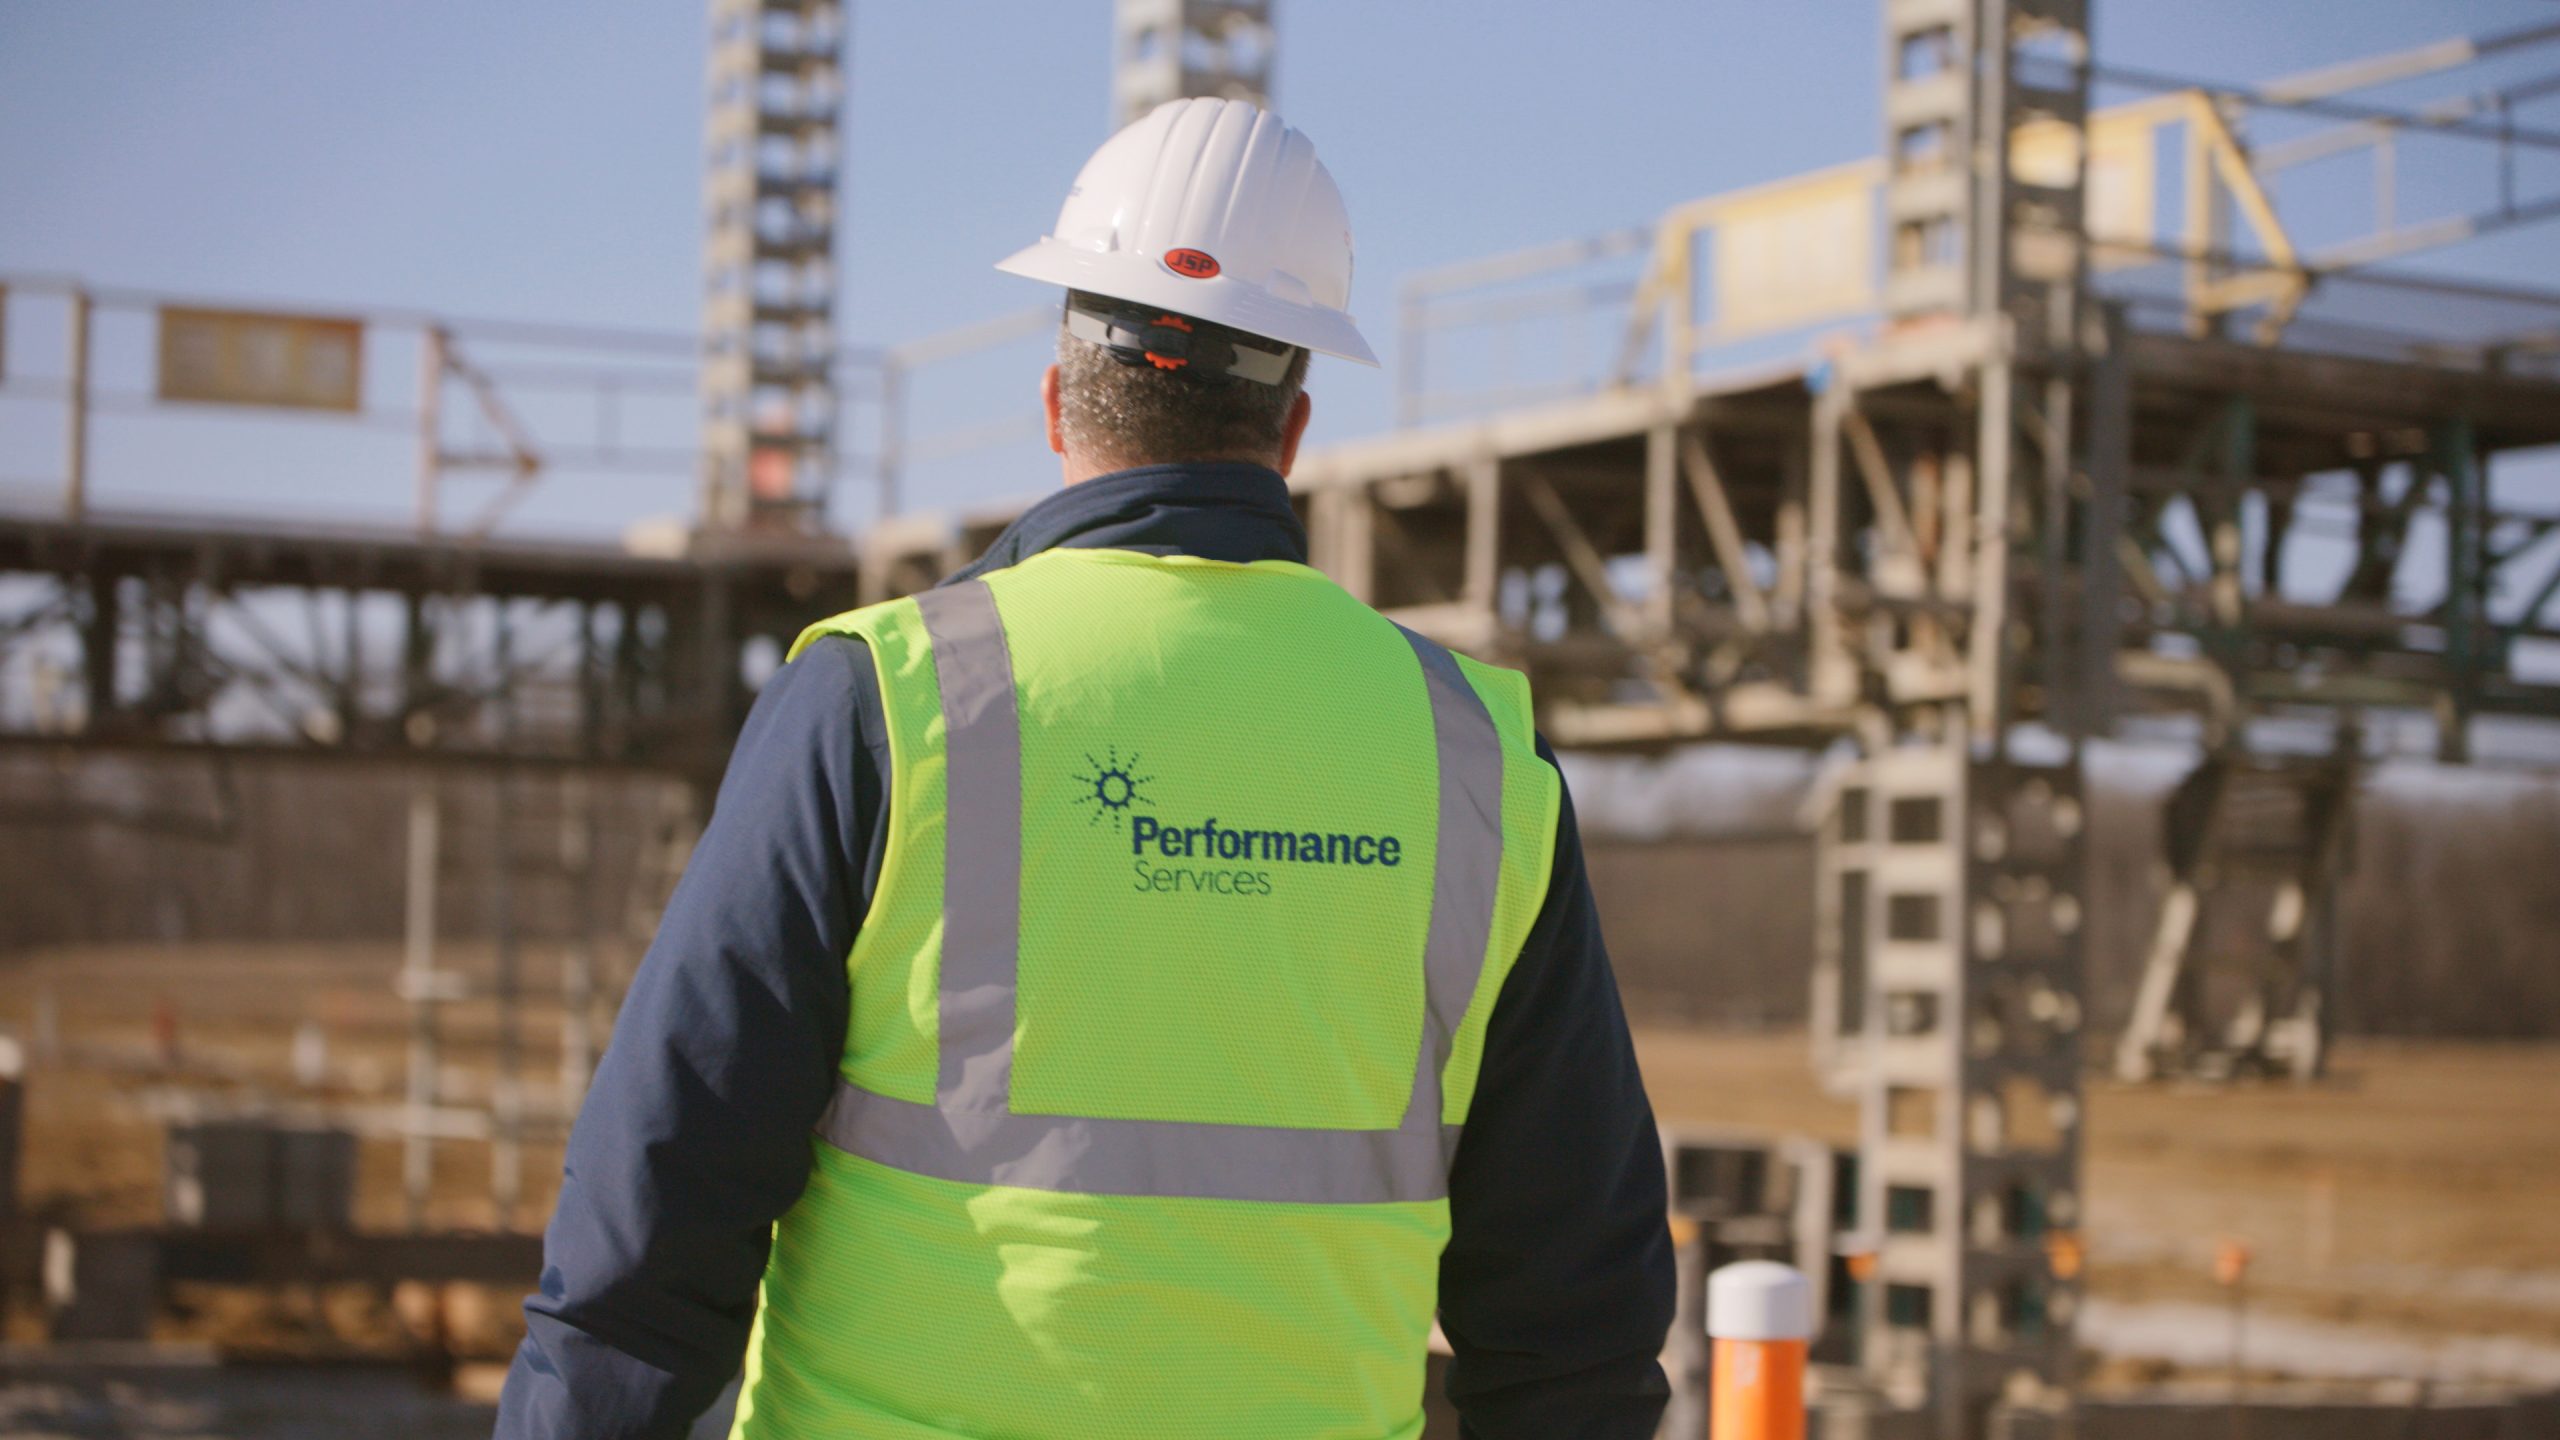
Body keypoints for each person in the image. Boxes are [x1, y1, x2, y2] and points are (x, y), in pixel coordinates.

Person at [496, 97, 1672, 1440]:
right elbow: (1579, 1316)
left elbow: (652, 1226)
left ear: (1057, 403)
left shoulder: (886, 700)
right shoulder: (1475, 756)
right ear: (1291, 434)